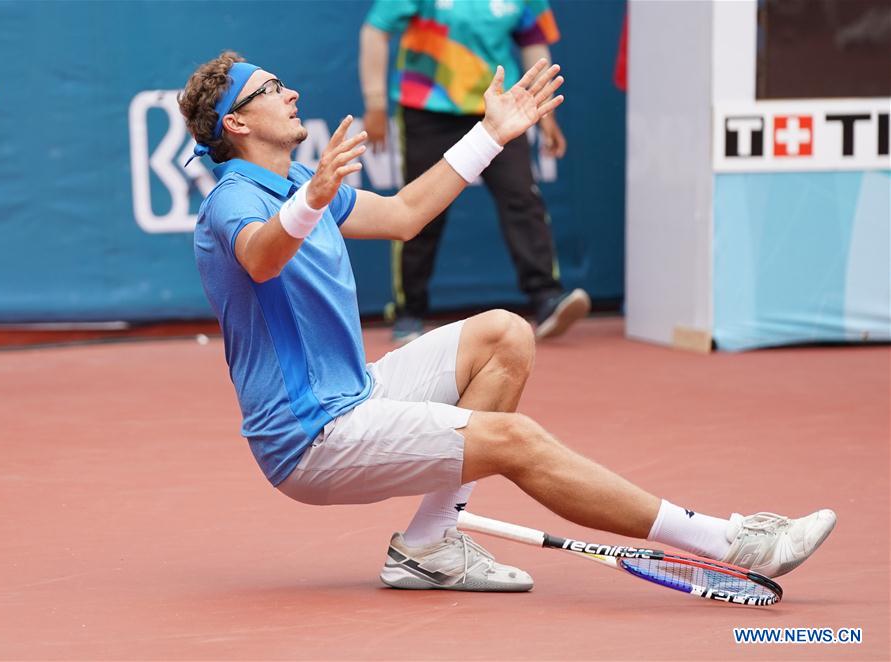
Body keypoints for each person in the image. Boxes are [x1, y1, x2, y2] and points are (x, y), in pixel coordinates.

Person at [179, 51, 836, 592]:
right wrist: (312, 200)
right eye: (271, 88)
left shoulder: (298, 178)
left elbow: (407, 212)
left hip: (356, 394)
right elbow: (262, 259)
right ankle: (729, 542)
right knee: (512, 440)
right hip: (311, 438)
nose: (290, 91)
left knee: (504, 334)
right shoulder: (233, 201)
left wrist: (489, 133)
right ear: (237, 122)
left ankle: (429, 544)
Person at [359, 0, 590, 344]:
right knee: (420, 210)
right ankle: (410, 312)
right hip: (428, 107)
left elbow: (533, 41)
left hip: (499, 110)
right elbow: (375, 30)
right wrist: (375, 102)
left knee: (522, 198)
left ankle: (547, 298)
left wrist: (547, 115)